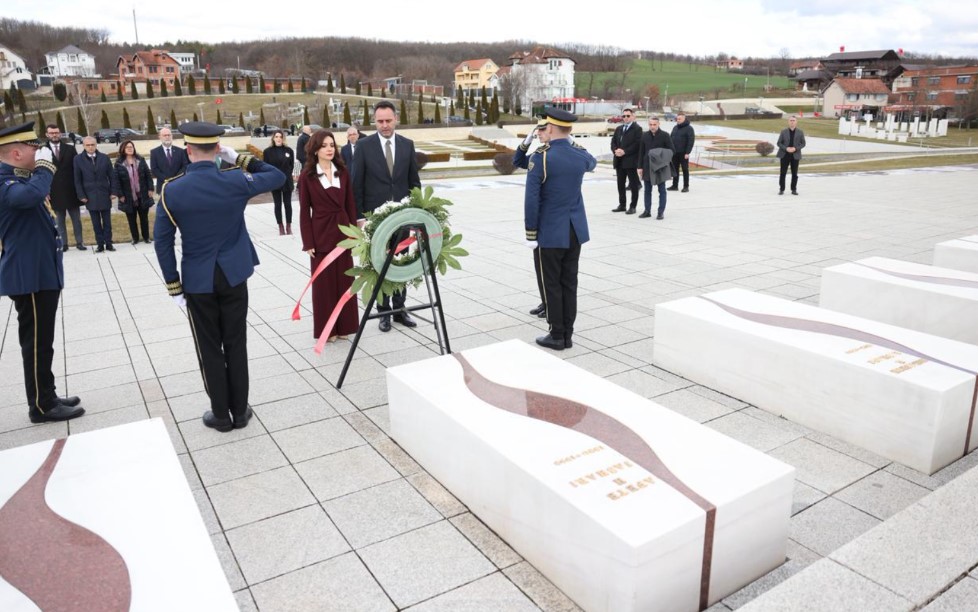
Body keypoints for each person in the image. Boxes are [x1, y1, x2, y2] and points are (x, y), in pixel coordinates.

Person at [154, 122, 285, 432]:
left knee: (210, 346)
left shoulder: (172, 189)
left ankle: (220, 415)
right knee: (236, 342)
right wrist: (238, 157)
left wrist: (174, 287)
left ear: (187, 150)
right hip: (234, 275)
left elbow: (162, 241)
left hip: (198, 281)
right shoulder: (235, 180)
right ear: (216, 149)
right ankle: (240, 411)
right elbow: (277, 176)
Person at [0, 122, 85, 423]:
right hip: (29, 276)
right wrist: (46, 168)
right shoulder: (5, 183)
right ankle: (41, 405)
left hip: (39, 272)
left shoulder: (17, 179)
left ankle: (46, 394)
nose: (37, 152)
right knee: (36, 342)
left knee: (43, 340)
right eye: (32, 148)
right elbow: (30, 197)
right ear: (15, 152)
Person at [524, 109, 596, 351]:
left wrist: (530, 233)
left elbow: (532, 200)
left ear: (551, 128)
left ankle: (557, 334)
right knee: (570, 282)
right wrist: (570, 142)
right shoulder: (579, 155)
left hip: (550, 232)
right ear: (570, 130)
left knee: (552, 284)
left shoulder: (541, 157)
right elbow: (592, 161)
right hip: (574, 230)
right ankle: (568, 333)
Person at [352, 100, 421, 333]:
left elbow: (414, 183)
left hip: (402, 218)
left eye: (388, 120)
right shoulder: (363, 146)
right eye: (380, 121)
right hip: (375, 220)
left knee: (400, 262)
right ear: (375, 121)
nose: (384, 125)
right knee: (379, 264)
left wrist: (417, 212)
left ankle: (400, 309)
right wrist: (360, 217)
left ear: (396, 119)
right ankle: (383, 312)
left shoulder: (407, 145)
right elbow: (356, 184)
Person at [298, 130, 360, 342]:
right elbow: (304, 210)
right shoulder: (308, 176)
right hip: (321, 234)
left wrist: (355, 233)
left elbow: (350, 204)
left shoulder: (342, 171)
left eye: (332, 144)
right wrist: (308, 241)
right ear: (315, 149)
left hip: (344, 233)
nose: (329, 148)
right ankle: (328, 329)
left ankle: (345, 326)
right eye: (324, 145)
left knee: (345, 282)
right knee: (324, 286)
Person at [514, 118, 550, 319]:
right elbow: (518, 161)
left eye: (541, 130)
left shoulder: (548, 156)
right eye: (537, 131)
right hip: (542, 220)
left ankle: (550, 303)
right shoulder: (538, 154)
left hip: (546, 218)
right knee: (540, 266)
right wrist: (527, 140)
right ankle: (545, 301)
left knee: (546, 266)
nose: (538, 134)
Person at [44, 123, 86, 251]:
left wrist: (80, 190)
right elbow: (40, 172)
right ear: (47, 134)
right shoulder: (42, 150)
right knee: (59, 221)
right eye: (51, 133)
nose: (54, 135)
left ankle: (80, 242)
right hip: (54, 192)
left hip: (71, 190)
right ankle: (64, 244)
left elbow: (77, 170)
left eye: (56, 132)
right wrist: (45, 190)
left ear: (60, 133)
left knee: (76, 220)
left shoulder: (70, 149)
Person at [73, 136, 116, 251]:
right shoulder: (78, 159)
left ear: (96, 145)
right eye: (88, 145)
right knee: (96, 223)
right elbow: (77, 179)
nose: (90, 147)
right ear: (83, 146)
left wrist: (113, 192)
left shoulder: (104, 158)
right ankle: (100, 244)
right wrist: (81, 195)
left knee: (107, 222)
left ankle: (109, 243)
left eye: (92, 145)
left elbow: (112, 176)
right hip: (89, 196)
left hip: (104, 194)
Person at [113, 140, 155, 244]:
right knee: (131, 219)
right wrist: (120, 194)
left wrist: (150, 189)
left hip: (143, 193)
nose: (130, 148)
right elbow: (116, 180)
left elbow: (148, 175)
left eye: (131, 147)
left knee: (144, 218)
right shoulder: (119, 163)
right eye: (127, 147)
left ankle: (146, 238)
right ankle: (135, 238)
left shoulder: (140, 159)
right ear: (123, 149)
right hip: (128, 196)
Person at [637, 116, 675, 220]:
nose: (652, 126)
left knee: (662, 190)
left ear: (658, 124)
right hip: (647, 166)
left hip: (660, 167)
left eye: (654, 124)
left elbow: (672, 151)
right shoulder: (644, 136)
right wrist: (639, 167)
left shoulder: (665, 135)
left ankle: (660, 212)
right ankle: (647, 211)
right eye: (650, 124)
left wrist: (658, 154)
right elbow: (641, 152)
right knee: (647, 190)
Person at [263, 130, 296, 235]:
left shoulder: (289, 150)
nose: (278, 139)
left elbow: (291, 166)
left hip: (287, 181)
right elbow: (266, 167)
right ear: (273, 138)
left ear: (283, 138)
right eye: (276, 136)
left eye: (280, 137)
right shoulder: (268, 152)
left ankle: (288, 226)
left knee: (288, 204)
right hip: (275, 181)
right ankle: (280, 226)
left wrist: (287, 175)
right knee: (278, 204)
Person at [610, 108, 642, 214]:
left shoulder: (637, 129)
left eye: (628, 116)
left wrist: (625, 151)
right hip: (619, 161)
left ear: (633, 116)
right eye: (624, 116)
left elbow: (637, 144)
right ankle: (622, 205)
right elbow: (613, 141)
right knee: (620, 184)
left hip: (631, 161)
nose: (626, 118)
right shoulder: (619, 128)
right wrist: (616, 150)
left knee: (633, 185)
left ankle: (633, 206)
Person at [150, 127, 189, 192]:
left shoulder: (180, 151)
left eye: (169, 135)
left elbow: (185, 166)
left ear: (172, 136)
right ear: (159, 137)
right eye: (165, 135)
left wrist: (175, 178)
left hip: (179, 185)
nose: (167, 137)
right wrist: (167, 179)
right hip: (163, 187)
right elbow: (154, 169)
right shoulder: (154, 152)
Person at [777, 116, 806, 195]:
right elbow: (779, 143)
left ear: (796, 122)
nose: (792, 122)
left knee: (795, 173)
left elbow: (803, 143)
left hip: (795, 155)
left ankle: (794, 189)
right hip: (784, 154)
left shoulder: (800, 132)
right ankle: (781, 189)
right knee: (783, 173)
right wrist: (786, 148)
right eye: (790, 120)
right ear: (788, 122)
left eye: (793, 120)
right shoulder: (783, 131)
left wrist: (795, 149)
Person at [669, 112, 695, 193]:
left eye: (679, 119)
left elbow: (691, 141)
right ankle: (675, 185)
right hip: (674, 153)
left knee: (685, 169)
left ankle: (686, 186)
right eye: (677, 119)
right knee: (675, 169)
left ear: (684, 119)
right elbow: (671, 138)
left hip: (683, 153)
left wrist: (687, 152)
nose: (678, 120)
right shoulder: (675, 128)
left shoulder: (689, 128)